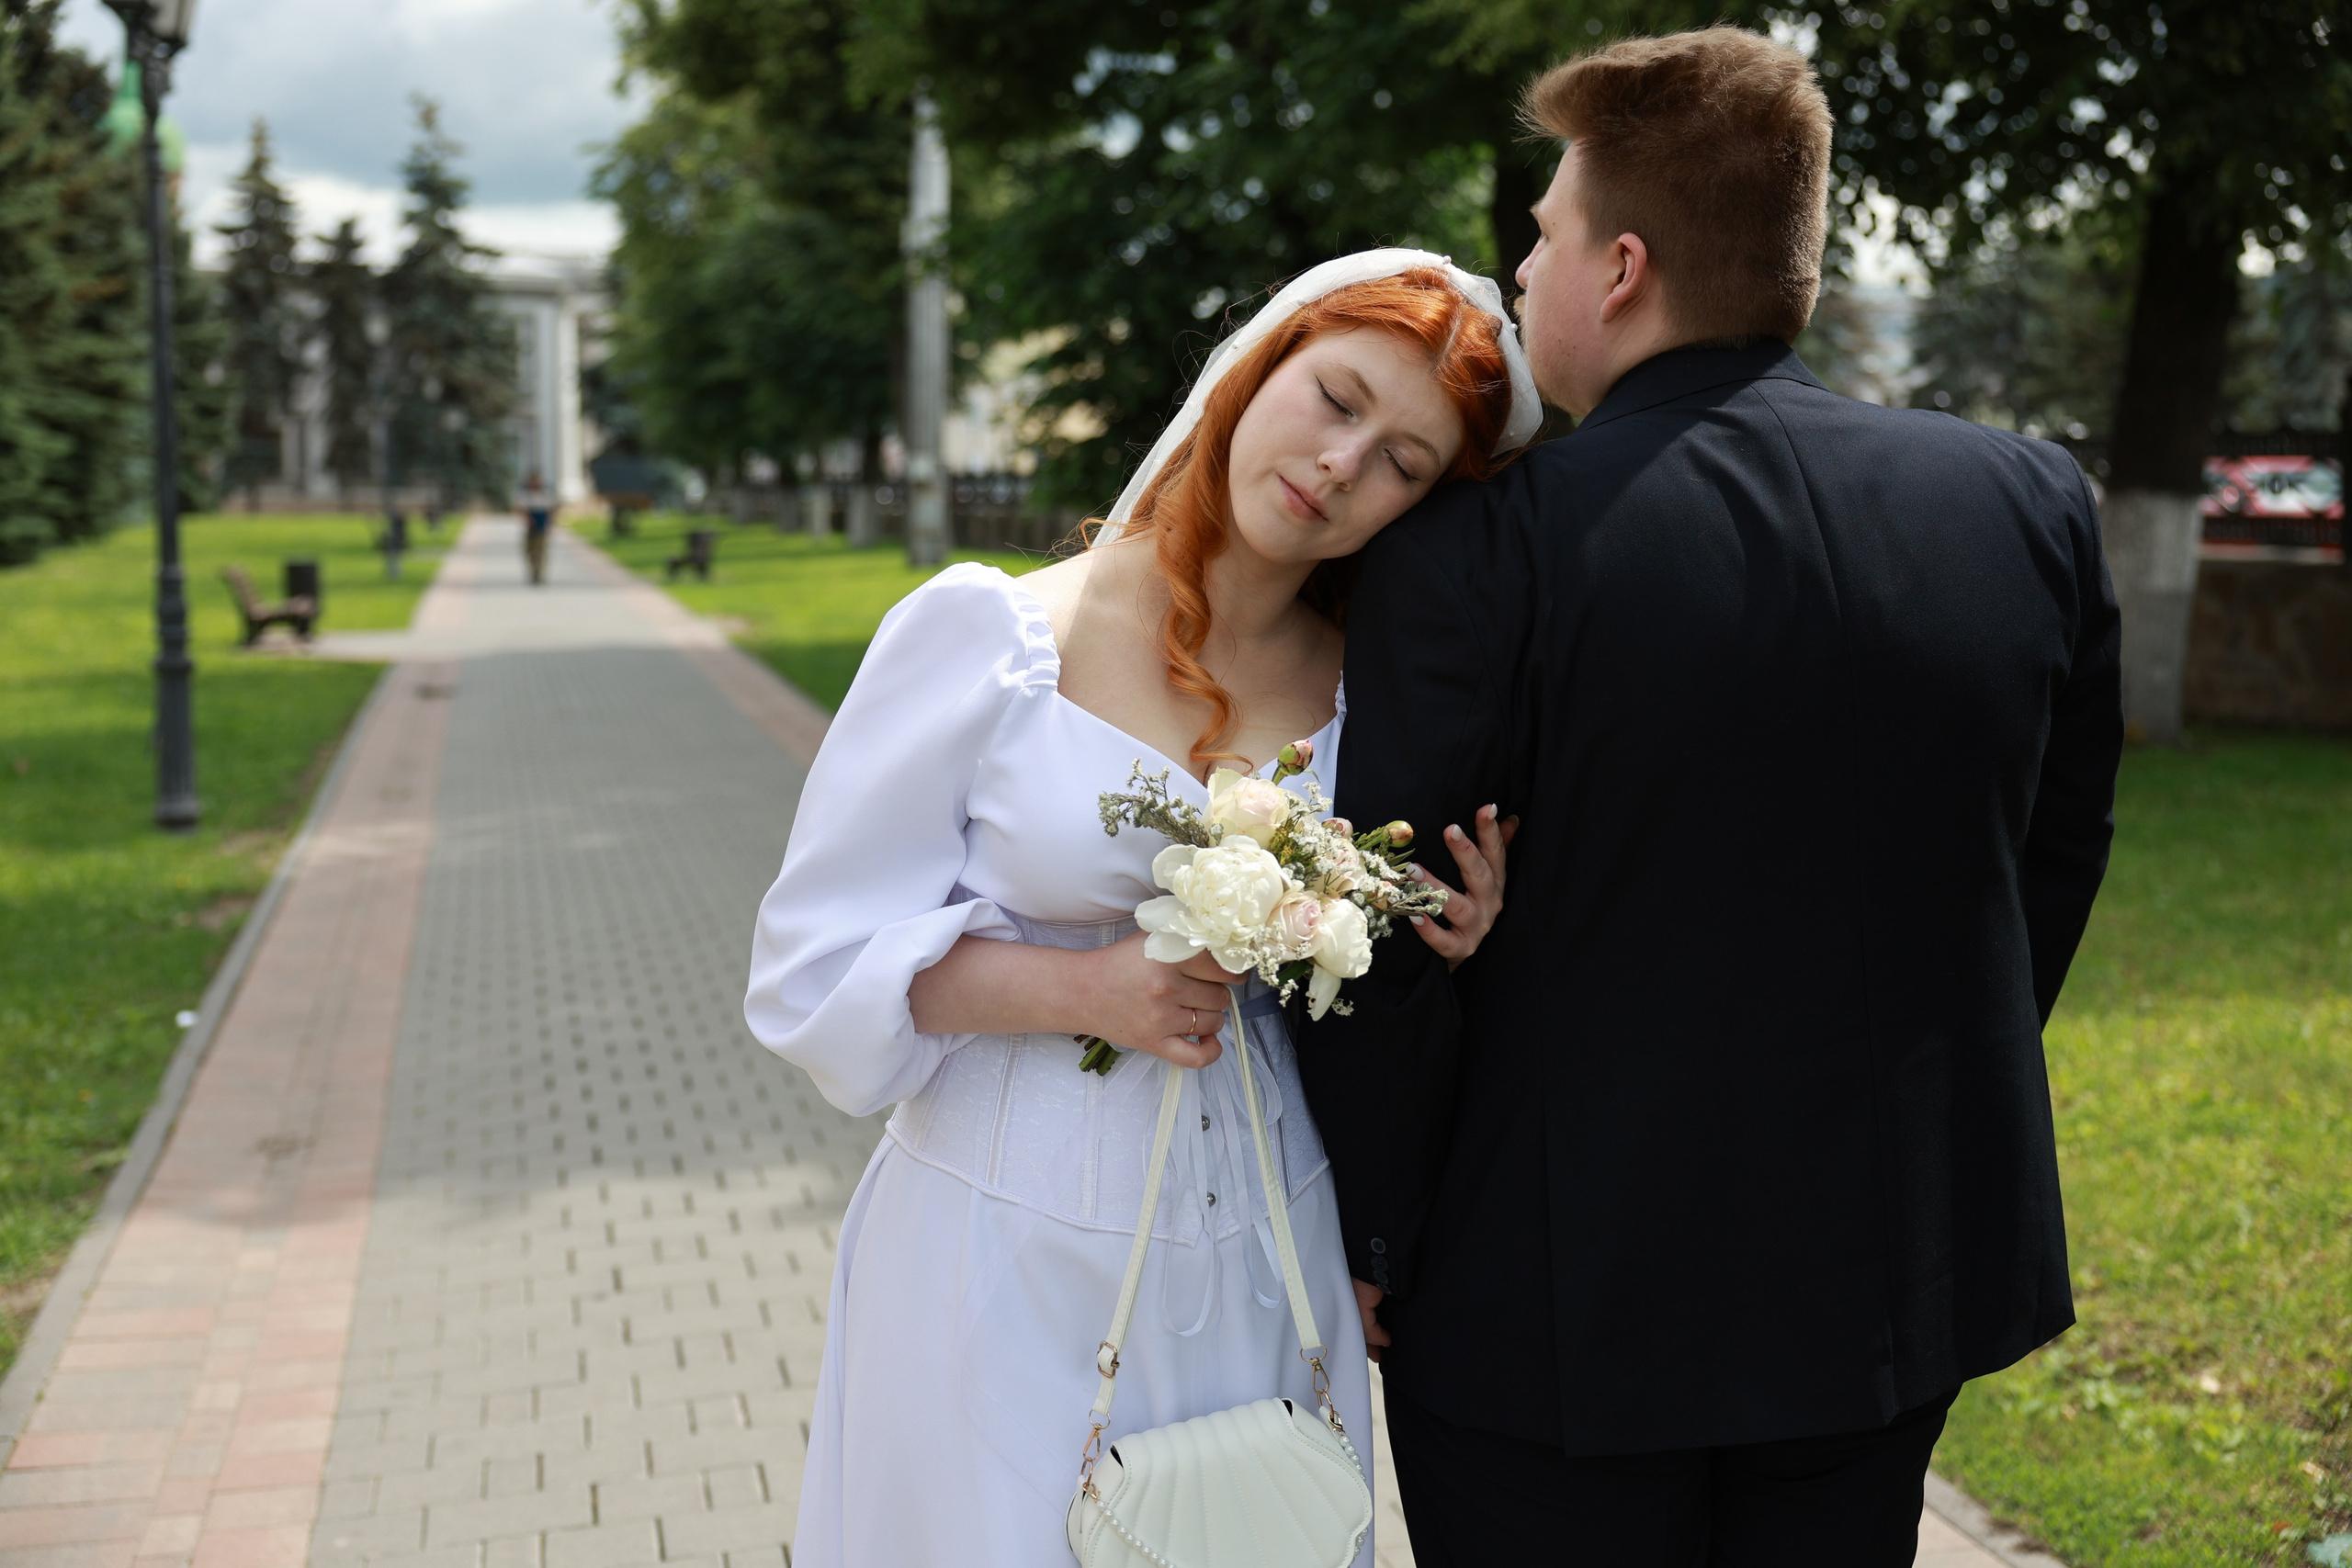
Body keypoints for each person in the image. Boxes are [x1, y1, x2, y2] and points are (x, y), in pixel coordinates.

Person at [1294, 28, 2124, 1566]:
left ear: (1619, 267)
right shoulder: (2027, 507)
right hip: (1885, 1283)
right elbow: (2053, 857)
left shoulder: (1475, 553)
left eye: (1537, 239)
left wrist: (1375, 1232)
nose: (1518, 277)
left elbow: (1387, 929)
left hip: (1546, 1306)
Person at [744, 254, 1538, 1567]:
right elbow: (810, 965)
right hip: (1004, 1241)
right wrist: (1081, 989)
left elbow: (1378, 996)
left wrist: (1441, 927)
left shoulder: (1380, 696)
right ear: (1253, 369)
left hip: (1273, 1238)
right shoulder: (993, 636)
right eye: (1334, 399)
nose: (1344, 465)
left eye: (1403, 461)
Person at [518, 473, 553, 585]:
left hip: (542, 525)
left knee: (541, 551)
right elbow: (520, 509)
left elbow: (551, 510)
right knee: (530, 551)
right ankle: (533, 571)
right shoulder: (526, 495)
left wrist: (551, 521)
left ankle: (539, 573)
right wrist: (526, 518)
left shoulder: (545, 495)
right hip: (531, 526)